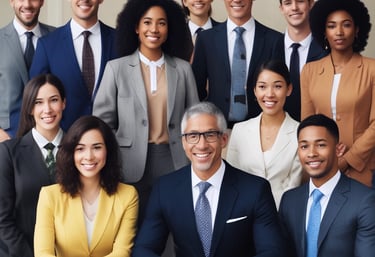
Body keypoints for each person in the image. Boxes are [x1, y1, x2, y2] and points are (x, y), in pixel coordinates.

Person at [132, 102, 287, 257]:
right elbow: (144, 249)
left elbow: (272, 251)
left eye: (210, 135)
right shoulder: (165, 189)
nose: (201, 145)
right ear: (183, 142)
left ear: (224, 140)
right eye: (193, 136)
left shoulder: (255, 189)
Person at [93, 0, 199, 222]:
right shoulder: (116, 68)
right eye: (147, 22)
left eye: (161, 23)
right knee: (133, 228)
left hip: (174, 160)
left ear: (169, 29)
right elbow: (102, 123)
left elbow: (194, 120)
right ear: (136, 27)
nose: (154, 29)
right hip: (129, 163)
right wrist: (117, 151)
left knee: (174, 227)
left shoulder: (183, 69)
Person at [34, 116, 138, 257]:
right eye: (80, 149)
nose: (89, 156)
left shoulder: (128, 195)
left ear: (108, 150)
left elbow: (122, 251)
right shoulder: (49, 196)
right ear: (71, 153)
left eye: (96, 147)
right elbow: (43, 253)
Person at [300, 0, 375, 187]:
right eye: (331, 26)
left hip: (362, 166)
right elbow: (308, 123)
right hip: (322, 165)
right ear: (323, 31)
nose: (339, 32)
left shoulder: (372, 69)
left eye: (346, 25)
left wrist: (346, 159)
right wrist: (326, 157)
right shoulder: (309, 71)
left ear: (357, 29)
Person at [279, 114, 375, 257]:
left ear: (337, 150)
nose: (311, 153)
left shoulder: (364, 200)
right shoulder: (289, 200)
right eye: (304, 146)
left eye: (321, 145)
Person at [0, 74, 65, 257]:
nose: (47, 109)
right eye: (38, 102)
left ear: (63, 103)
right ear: (29, 108)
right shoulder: (9, 153)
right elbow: (2, 219)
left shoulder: (79, 151)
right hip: (19, 251)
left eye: (54, 100)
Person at [192, 0, 283, 128]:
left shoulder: (274, 40)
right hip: (218, 129)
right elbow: (196, 89)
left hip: (260, 129)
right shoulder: (206, 39)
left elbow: (279, 88)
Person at [29, 0, 117, 131]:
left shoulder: (119, 41)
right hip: (64, 140)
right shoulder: (48, 44)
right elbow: (36, 97)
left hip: (110, 138)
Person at [226, 60, 302, 208]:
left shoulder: (300, 133)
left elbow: (294, 186)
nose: (269, 94)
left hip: (283, 216)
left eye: (278, 86)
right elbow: (231, 180)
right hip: (244, 214)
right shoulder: (239, 130)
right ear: (254, 90)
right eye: (262, 87)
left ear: (289, 89)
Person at [0, 0, 54, 141]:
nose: (27, 4)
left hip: (49, 136)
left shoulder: (58, 37)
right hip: (6, 137)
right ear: (11, 1)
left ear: (42, 1)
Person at [277, 0, 326, 121]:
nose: (294, 7)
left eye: (300, 1)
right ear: (281, 8)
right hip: (279, 129)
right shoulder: (270, 46)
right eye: (288, 3)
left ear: (311, 4)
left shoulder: (328, 50)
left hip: (317, 128)